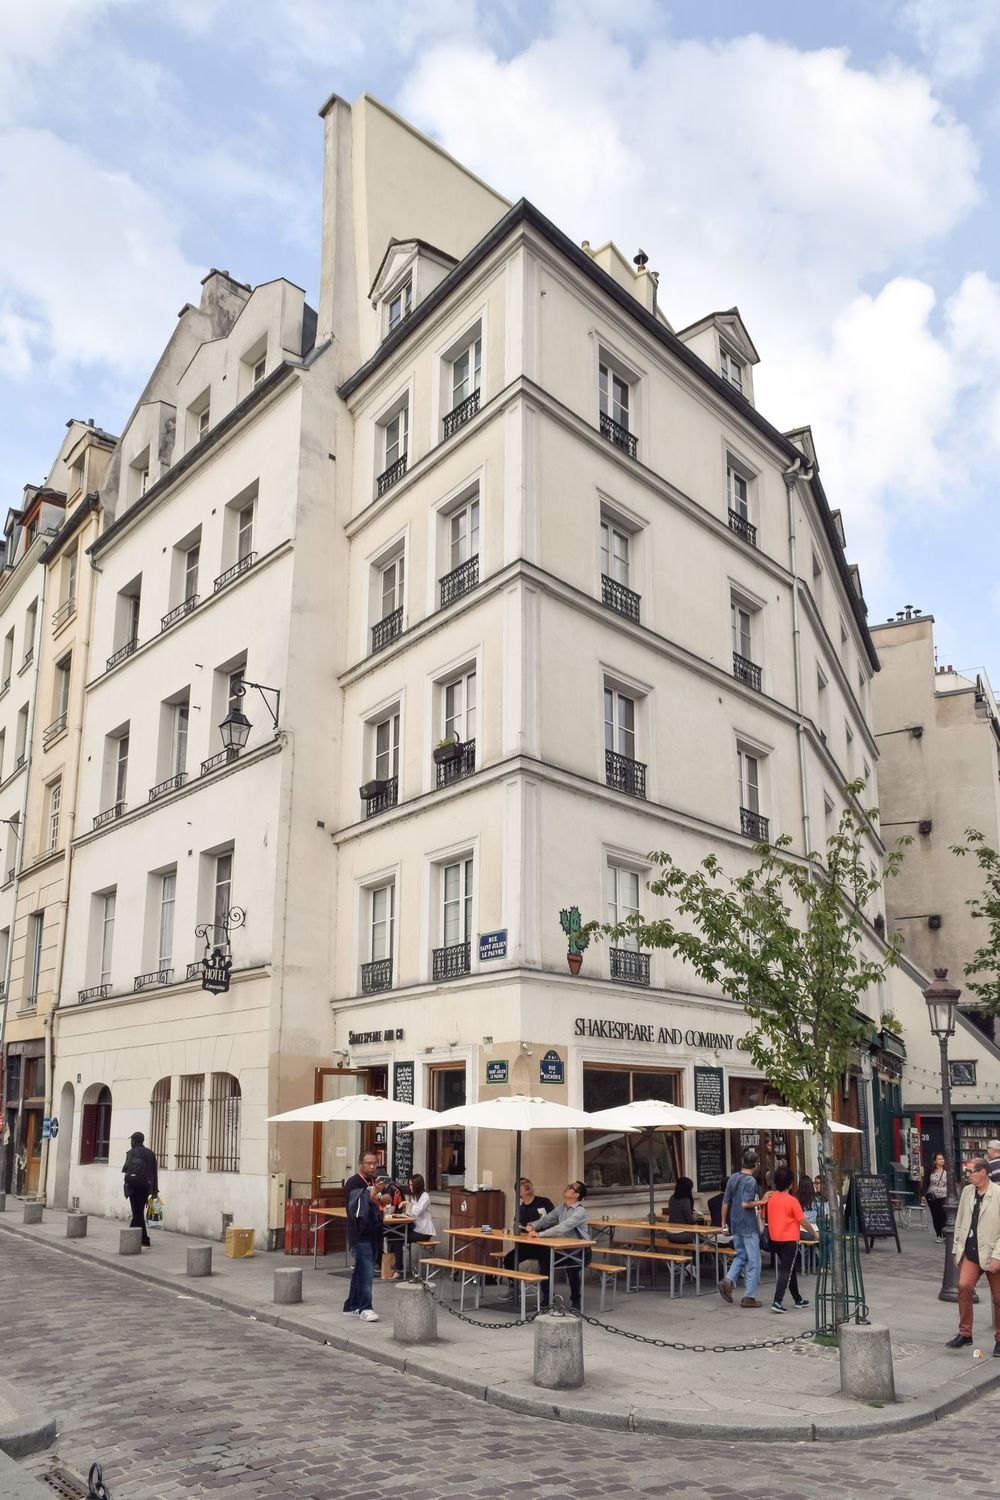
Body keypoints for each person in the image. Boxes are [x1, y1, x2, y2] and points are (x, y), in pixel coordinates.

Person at [946, 1158, 1000, 1357]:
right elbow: (960, 1221)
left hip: (994, 1252)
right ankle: (965, 1333)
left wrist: (998, 1256)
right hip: (971, 1251)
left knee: (999, 1298)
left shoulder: (998, 1194)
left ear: (984, 1172)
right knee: (964, 1286)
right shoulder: (968, 1192)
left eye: (971, 1171)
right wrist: (956, 1250)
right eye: (967, 1172)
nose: (968, 1175)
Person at [525, 1181, 591, 1309]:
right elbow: (547, 1219)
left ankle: (576, 1301)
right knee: (544, 1259)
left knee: (572, 1268)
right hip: (564, 1248)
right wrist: (533, 1225)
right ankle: (548, 1298)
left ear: (577, 1195)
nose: (567, 1188)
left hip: (581, 1250)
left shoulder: (579, 1211)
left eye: (571, 1188)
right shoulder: (561, 1207)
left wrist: (541, 1234)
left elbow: (562, 1227)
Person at [764, 1165, 817, 1314]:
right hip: (789, 1239)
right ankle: (777, 1300)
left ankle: (797, 1298)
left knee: (790, 1267)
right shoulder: (792, 1200)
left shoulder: (770, 1198)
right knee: (786, 1270)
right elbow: (803, 1221)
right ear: (790, 1184)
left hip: (775, 1238)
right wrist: (814, 1233)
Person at [341, 1150, 383, 1322]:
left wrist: (381, 1193)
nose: (372, 1166)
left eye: (374, 1163)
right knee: (367, 1270)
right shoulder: (353, 1182)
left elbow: (384, 1200)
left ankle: (351, 1305)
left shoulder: (375, 1181)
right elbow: (359, 1203)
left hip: (374, 1231)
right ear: (360, 1164)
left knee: (360, 1270)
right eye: (368, 1163)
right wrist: (374, 1193)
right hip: (359, 1233)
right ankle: (365, 1307)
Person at [720, 1149, 763, 1309]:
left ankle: (728, 1280)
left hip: (735, 1223)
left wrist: (723, 1223)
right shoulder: (750, 1181)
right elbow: (746, 1203)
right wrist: (762, 1201)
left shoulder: (733, 1178)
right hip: (748, 1224)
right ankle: (749, 1297)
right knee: (754, 1261)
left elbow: (725, 1202)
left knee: (741, 1255)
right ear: (756, 1164)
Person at [501, 1178, 556, 1290]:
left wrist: (537, 1226)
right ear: (519, 1192)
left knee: (545, 1264)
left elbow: (554, 1220)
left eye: (528, 1183)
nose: (526, 1185)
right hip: (527, 1245)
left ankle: (547, 1297)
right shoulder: (520, 1209)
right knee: (508, 1259)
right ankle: (514, 1288)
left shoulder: (544, 1202)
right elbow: (518, 1227)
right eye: (522, 1184)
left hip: (544, 1244)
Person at [392, 1173, 436, 1275]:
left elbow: (417, 1212)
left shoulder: (425, 1196)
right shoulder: (414, 1197)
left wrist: (408, 1204)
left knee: (398, 1239)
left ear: (418, 1185)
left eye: (412, 1185)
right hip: (416, 1228)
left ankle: (399, 1269)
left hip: (424, 1231)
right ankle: (395, 1265)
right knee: (393, 1235)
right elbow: (411, 1214)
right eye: (409, 1185)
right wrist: (404, 1213)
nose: (410, 1187)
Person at [121, 1131, 159, 1248]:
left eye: (131, 1140)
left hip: (133, 1186)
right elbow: (154, 1173)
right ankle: (137, 1236)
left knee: (137, 1213)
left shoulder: (131, 1152)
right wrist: (154, 1191)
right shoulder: (150, 1154)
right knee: (138, 1212)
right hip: (146, 1187)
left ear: (134, 1141)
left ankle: (143, 1239)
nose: (131, 1142)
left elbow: (126, 1168)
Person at [922, 1152, 949, 1240]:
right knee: (935, 1215)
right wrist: (923, 1194)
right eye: (939, 1159)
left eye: (942, 1159)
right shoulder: (930, 1171)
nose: (942, 1160)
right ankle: (938, 1234)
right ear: (935, 1161)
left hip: (944, 1196)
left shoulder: (947, 1170)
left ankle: (944, 1234)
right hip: (932, 1196)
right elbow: (925, 1182)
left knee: (943, 1215)